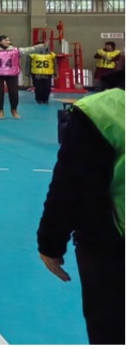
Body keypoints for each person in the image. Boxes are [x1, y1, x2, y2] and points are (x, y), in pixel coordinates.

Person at [37, 70, 124, 345]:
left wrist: (51, 243)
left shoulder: (101, 110)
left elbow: (72, 182)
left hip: (112, 244)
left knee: (112, 328)